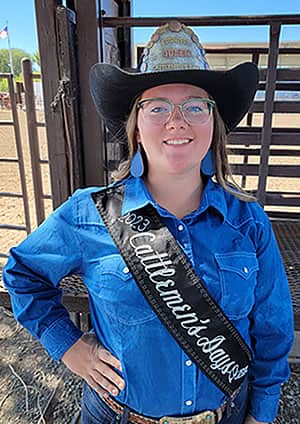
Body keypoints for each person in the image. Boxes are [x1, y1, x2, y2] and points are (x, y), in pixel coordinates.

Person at [3, 21, 294, 424]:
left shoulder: (249, 222)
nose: (177, 121)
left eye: (195, 105)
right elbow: (22, 273)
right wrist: (68, 346)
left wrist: (261, 415)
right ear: (136, 127)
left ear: (214, 124)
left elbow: (273, 332)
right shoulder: (88, 213)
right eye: (157, 107)